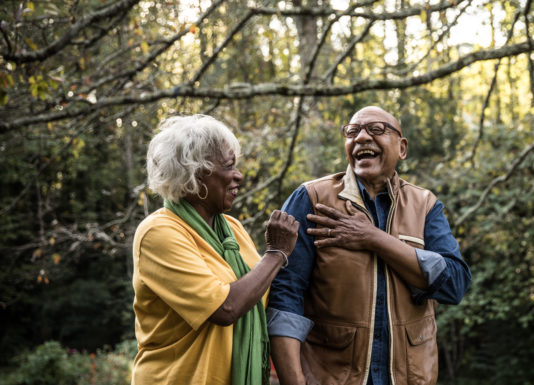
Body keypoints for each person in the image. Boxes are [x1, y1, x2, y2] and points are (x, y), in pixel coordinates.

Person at [267, 106, 472, 385]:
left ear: (402, 148)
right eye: (352, 132)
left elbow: (454, 284)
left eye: (376, 129)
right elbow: (286, 296)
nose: (362, 137)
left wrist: (373, 238)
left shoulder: (425, 206)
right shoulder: (312, 199)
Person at [131, 114, 299, 385]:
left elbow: (265, 293)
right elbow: (225, 308)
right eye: (229, 166)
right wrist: (277, 253)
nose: (238, 176)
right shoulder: (158, 233)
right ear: (194, 174)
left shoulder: (232, 230)